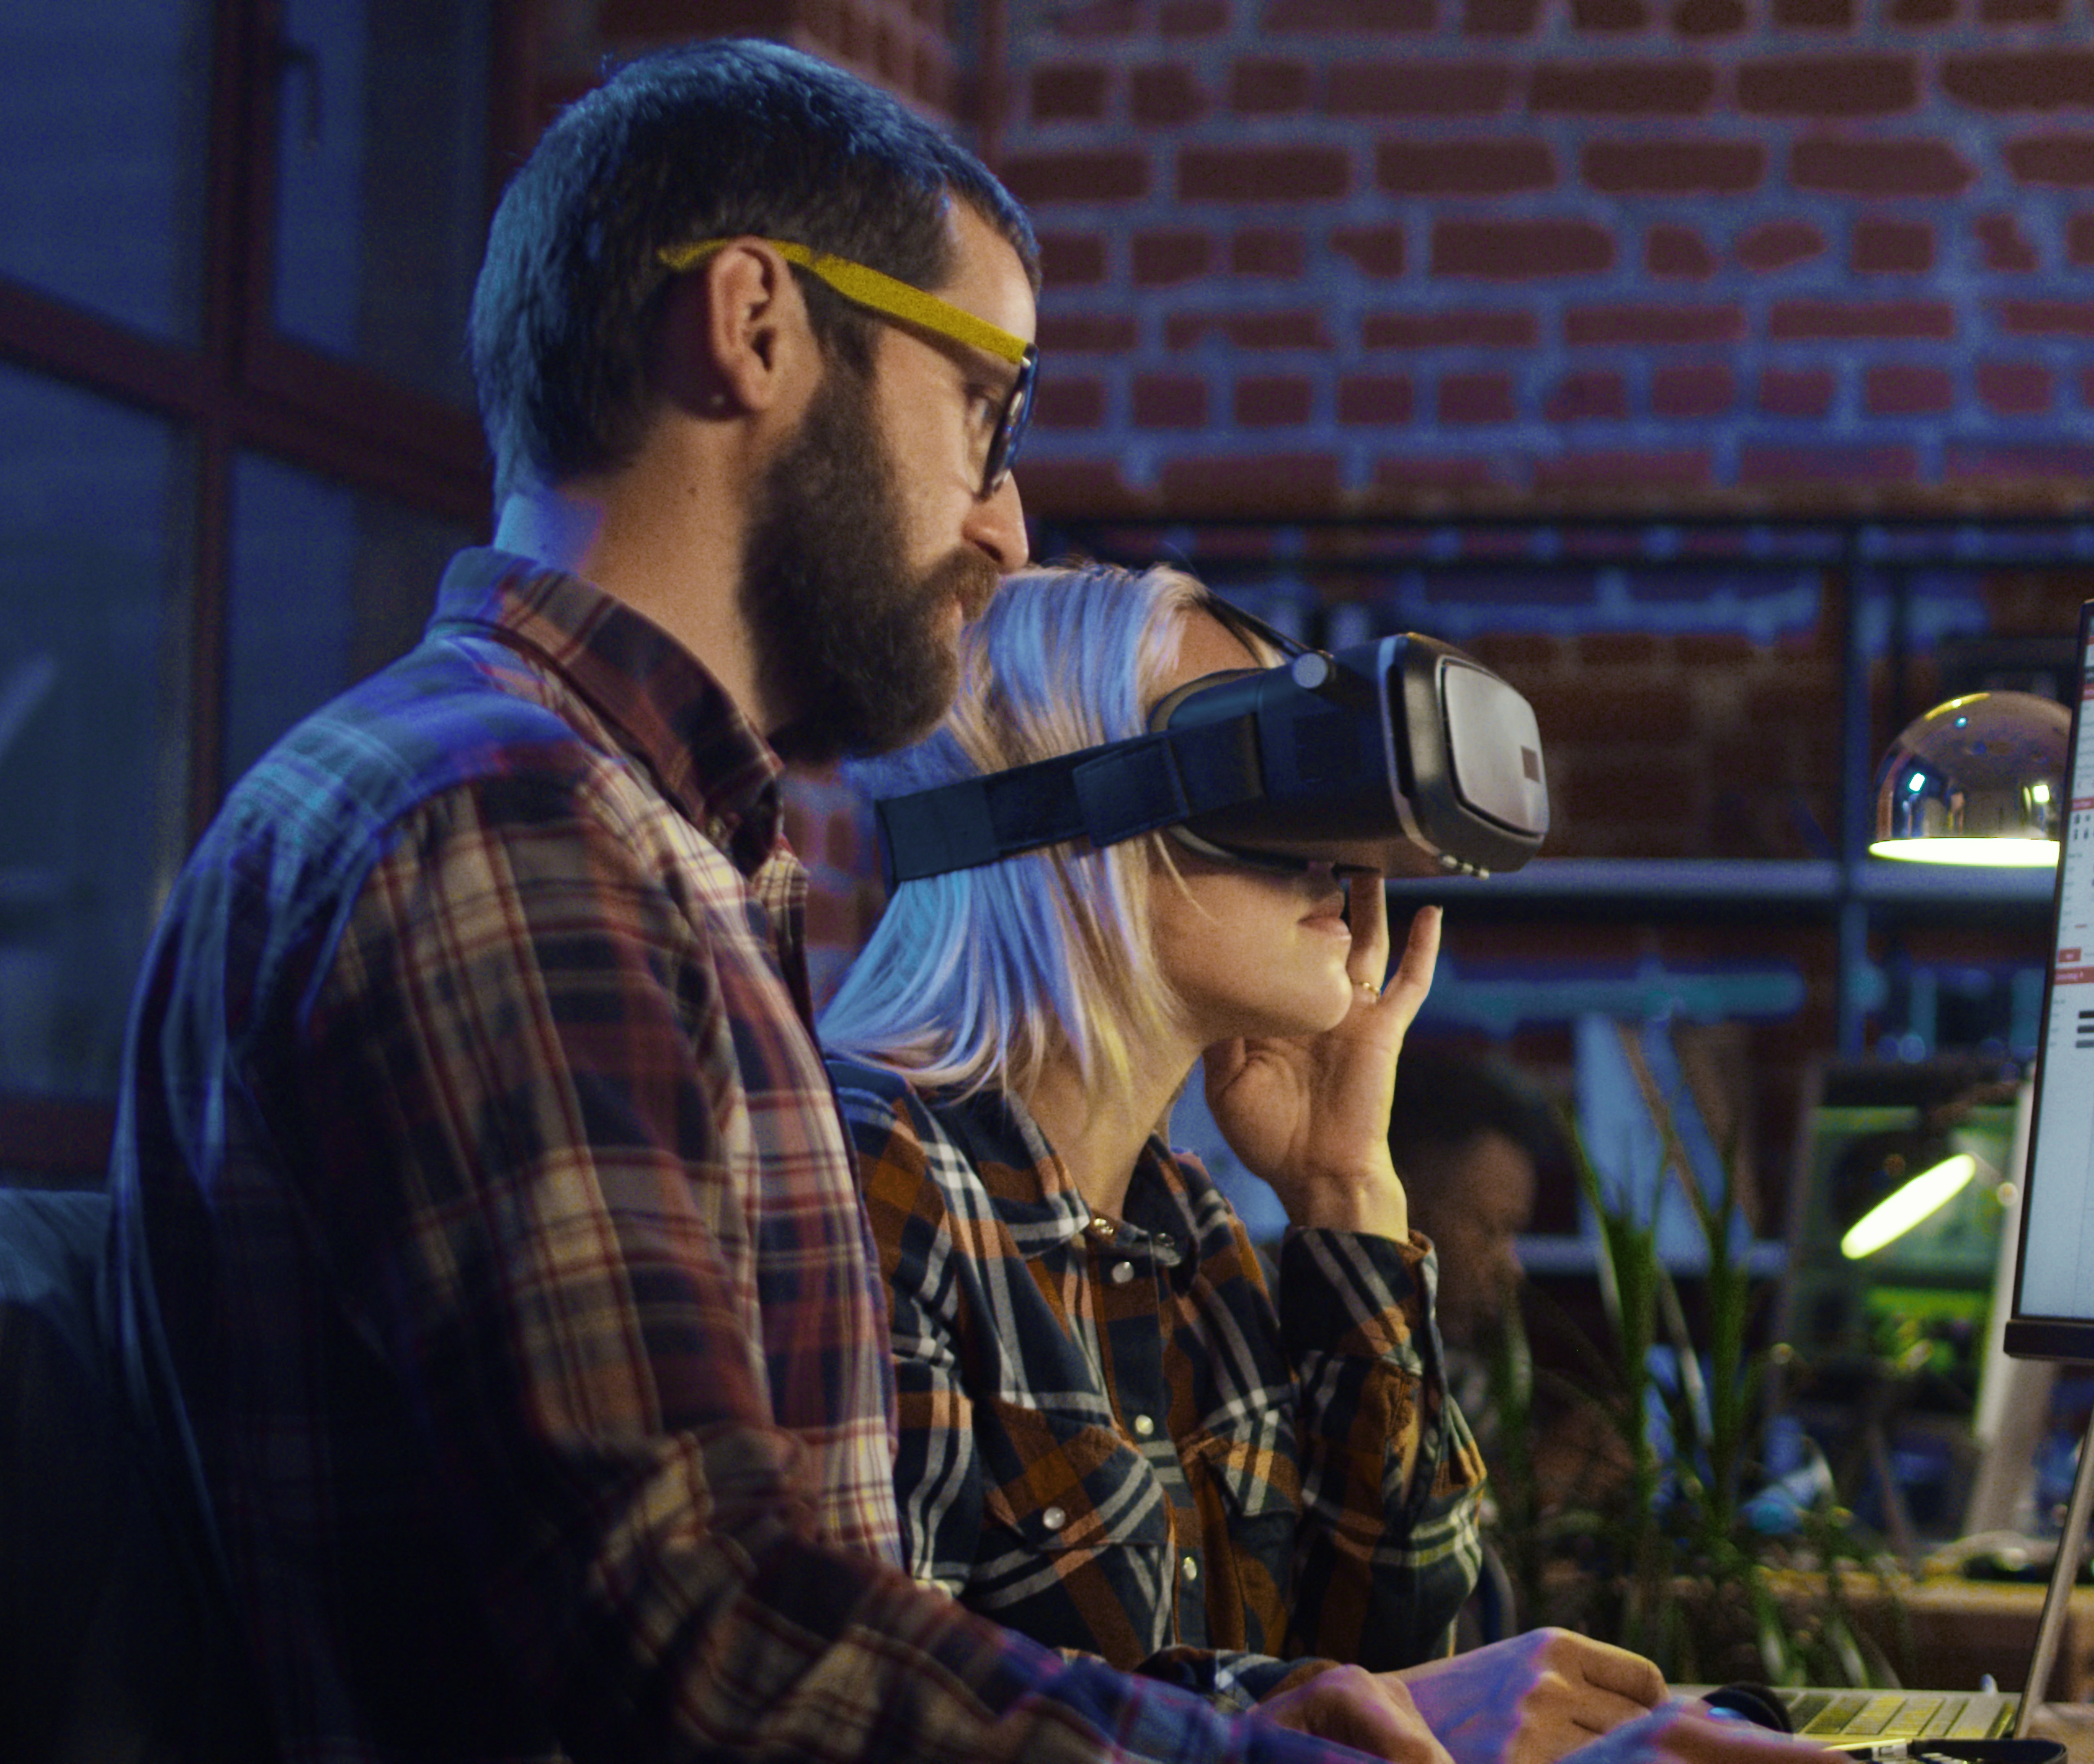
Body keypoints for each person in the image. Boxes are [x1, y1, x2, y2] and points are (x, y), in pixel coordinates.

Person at [105, 38, 1442, 1764]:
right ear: (752, 325)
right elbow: (703, 1628)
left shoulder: (627, 835)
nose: (1006, 526)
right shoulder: (499, 822)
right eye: (987, 406)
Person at [819, 563, 1686, 1764]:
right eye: (1258, 759)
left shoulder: (1191, 1234)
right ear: (1072, 815)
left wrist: (1347, 1193)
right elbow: (863, 1711)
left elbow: (1400, 1654)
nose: (1334, 846)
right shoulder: (867, 1184)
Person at [1385, 1048, 1558, 1362]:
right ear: (1398, 1201)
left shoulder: (1457, 1375)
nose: (1513, 1271)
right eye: (1490, 1230)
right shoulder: (1278, 1335)